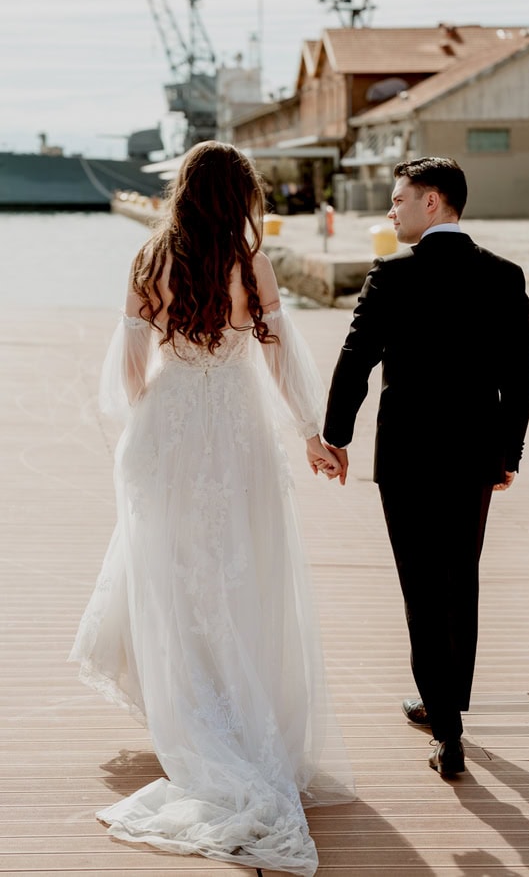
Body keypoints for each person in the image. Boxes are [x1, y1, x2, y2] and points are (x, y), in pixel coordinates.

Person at [69, 141, 354, 875]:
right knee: (238, 576)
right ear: (240, 195)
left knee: (171, 576)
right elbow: (281, 357)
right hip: (237, 439)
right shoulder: (251, 264)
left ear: (184, 192)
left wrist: (154, 422)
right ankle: (232, 705)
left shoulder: (148, 262)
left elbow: (129, 371)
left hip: (167, 435)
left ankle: (192, 709)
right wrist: (313, 434)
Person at [322, 157, 529, 777]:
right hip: (474, 454)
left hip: (408, 459)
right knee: (459, 580)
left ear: (433, 203)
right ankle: (450, 709)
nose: (391, 212)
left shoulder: (391, 277)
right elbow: (518, 380)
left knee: (420, 585)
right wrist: (508, 454)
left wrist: (336, 437)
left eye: (399, 200)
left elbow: (354, 361)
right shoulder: (504, 276)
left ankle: (445, 723)